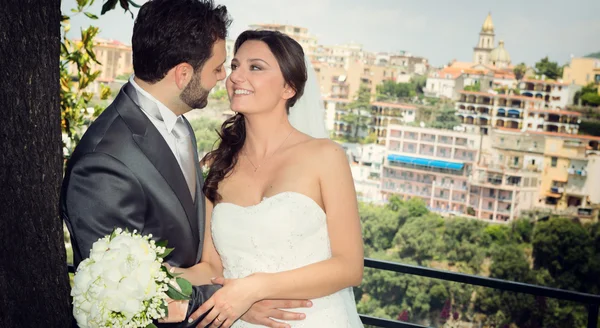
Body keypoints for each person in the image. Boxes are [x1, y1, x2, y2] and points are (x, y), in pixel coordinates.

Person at [60, 1, 311, 327]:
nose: (226, 77)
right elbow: (116, 293)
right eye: (219, 67)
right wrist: (231, 304)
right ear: (183, 74)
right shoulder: (103, 164)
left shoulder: (178, 123)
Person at [174, 30, 365, 327]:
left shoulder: (326, 156)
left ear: (288, 88)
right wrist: (149, 277)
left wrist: (255, 287)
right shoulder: (217, 165)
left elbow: (349, 267)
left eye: (255, 67)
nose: (236, 77)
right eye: (235, 66)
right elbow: (211, 267)